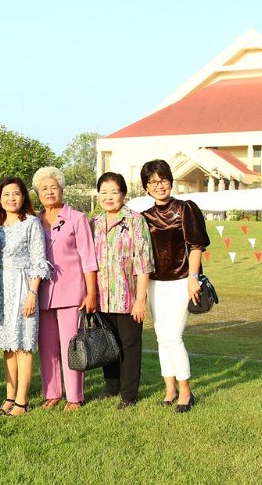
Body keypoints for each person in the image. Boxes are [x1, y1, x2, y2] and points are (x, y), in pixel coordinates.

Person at [140, 159, 210, 413]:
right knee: (161, 337)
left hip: (182, 281)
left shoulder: (186, 208)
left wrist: (193, 277)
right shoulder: (144, 217)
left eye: (163, 180)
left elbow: (196, 245)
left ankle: (186, 392)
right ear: (146, 187)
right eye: (153, 182)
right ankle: (169, 389)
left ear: (171, 181)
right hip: (155, 283)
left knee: (173, 336)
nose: (159, 186)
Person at [33, 167, 97, 411]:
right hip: (42, 293)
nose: (49, 192)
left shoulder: (77, 218)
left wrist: (91, 293)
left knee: (71, 346)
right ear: (38, 193)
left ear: (62, 190)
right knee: (47, 347)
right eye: (44, 189)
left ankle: (74, 396)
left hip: (72, 293)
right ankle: (52, 393)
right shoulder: (34, 221)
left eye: (54, 187)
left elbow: (88, 258)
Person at [91, 172, 154, 409]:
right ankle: (111, 388)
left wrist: (140, 300)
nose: (109, 197)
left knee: (129, 346)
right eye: (104, 192)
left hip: (128, 298)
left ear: (123, 194)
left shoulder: (135, 221)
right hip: (101, 297)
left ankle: (129, 395)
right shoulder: (94, 223)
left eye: (114, 192)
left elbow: (143, 263)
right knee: (109, 344)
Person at [0, 177, 50, 417]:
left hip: (24, 286)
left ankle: (22, 401)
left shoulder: (31, 223)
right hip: (1, 289)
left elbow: (39, 260)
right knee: (8, 345)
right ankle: (10, 395)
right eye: (6, 194)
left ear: (23, 196)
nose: (11, 198)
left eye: (16, 193)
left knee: (24, 344)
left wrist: (32, 293)